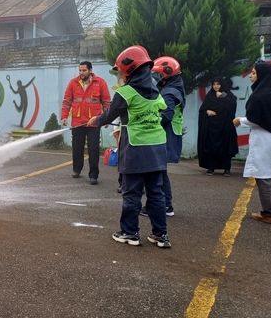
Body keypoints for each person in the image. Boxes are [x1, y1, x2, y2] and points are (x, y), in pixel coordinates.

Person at [89, 45, 171, 248]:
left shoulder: (126, 92)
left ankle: (129, 232)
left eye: (121, 71)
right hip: (158, 148)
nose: (120, 75)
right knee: (156, 193)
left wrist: (95, 121)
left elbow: (109, 116)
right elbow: (162, 114)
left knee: (132, 192)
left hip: (136, 149)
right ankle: (160, 235)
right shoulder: (156, 92)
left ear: (128, 69)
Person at [233, 62, 271, 224]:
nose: (251, 76)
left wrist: (240, 120)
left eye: (253, 73)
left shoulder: (260, 95)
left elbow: (255, 119)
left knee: (264, 175)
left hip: (266, 141)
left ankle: (268, 213)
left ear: (262, 75)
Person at [139, 56, 185, 217]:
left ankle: (163, 206)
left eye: (158, 74)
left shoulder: (169, 92)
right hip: (169, 135)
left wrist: (150, 123)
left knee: (157, 173)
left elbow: (166, 115)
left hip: (165, 137)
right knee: (159, 172)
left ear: (166, 74)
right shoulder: (175, 87)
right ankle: (165, 205)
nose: (155, 77)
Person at [61, 60, 111, 185]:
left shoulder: (100, 83)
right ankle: (76, 169)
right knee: (77, 148)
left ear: (90, 70)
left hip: (93, 122)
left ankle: (93, 175)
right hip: (78, 122)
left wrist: (106, 119)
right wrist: (64, 117)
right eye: (80, 70)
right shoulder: (73, 83)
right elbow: (67, 101)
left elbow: (106, 102)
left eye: (84, 70)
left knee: (93, 150)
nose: (81, 73)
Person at [198, 78, 239, 176]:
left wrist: (223, 97)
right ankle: (211, 168)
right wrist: (207, 111)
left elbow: (232, 106)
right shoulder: (210, 95)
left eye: (218, 84)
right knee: (211, 147)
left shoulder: (228, 95)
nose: (216, 86)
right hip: (212, 127)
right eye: (214, 84)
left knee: (226, 148)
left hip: (225, 127)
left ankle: (227, 169)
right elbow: (202, 109)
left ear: (222, 85)